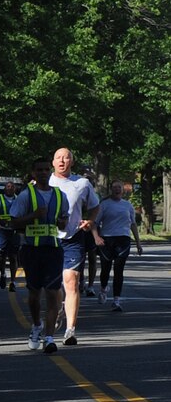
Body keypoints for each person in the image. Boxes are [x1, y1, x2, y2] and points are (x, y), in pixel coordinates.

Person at [9, 158, 69, 354]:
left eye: (46, 169)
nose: (43, 173)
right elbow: (14, 222)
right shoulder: (26, 196)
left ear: (50, 172)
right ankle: (36, 325)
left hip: (53, 249)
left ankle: (50, 337)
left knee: (53, 293)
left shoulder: (60, 196)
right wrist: (33, 215)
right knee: (34, 294)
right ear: (33, 173)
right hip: (31, 250)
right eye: (39, 170)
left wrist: (62, 222)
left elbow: (63, 224)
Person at [49, 147, 102, 346]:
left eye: (66, 158)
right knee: (53, 286)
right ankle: (59, 309)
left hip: (73, 238)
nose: (62, 161)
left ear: (72, 161)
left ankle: (70, 330)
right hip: (49, 240)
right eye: (58, 158)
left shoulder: (82, 183)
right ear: (53, 162)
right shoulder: (42, 184)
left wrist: (90, 221)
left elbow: (95, 206)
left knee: (71, 281)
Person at [96, 180, 143, 311]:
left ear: (123, 190)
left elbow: (133, 224)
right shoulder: (104, 205)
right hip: (107, 239)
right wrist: (97, 237)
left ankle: (116, 300)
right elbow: (95, 223)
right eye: (114, 187)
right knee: (105, 268)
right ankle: (103, 288)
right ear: (111, 189)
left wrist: (138, 243)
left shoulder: (128, 205)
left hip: (123, 239)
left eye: (119, 187)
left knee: (118, 269)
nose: (117, 189)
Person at [0, 181, 19, 292]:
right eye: (8, 187)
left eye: (12, 187)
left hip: (15, 231)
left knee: (13, 256)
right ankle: (2, 273)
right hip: (2, 231)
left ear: (15, 189)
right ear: (4, 189)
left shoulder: (19, 200)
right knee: (1, 255)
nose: (10, 189)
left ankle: (13, 281)